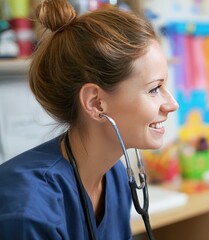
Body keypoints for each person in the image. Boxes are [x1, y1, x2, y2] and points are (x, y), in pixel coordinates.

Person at [0, 0, 178, 239]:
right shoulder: (29, 208)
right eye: (155, 89)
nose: (172, 104)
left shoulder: (114, 177)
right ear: (95, 103)